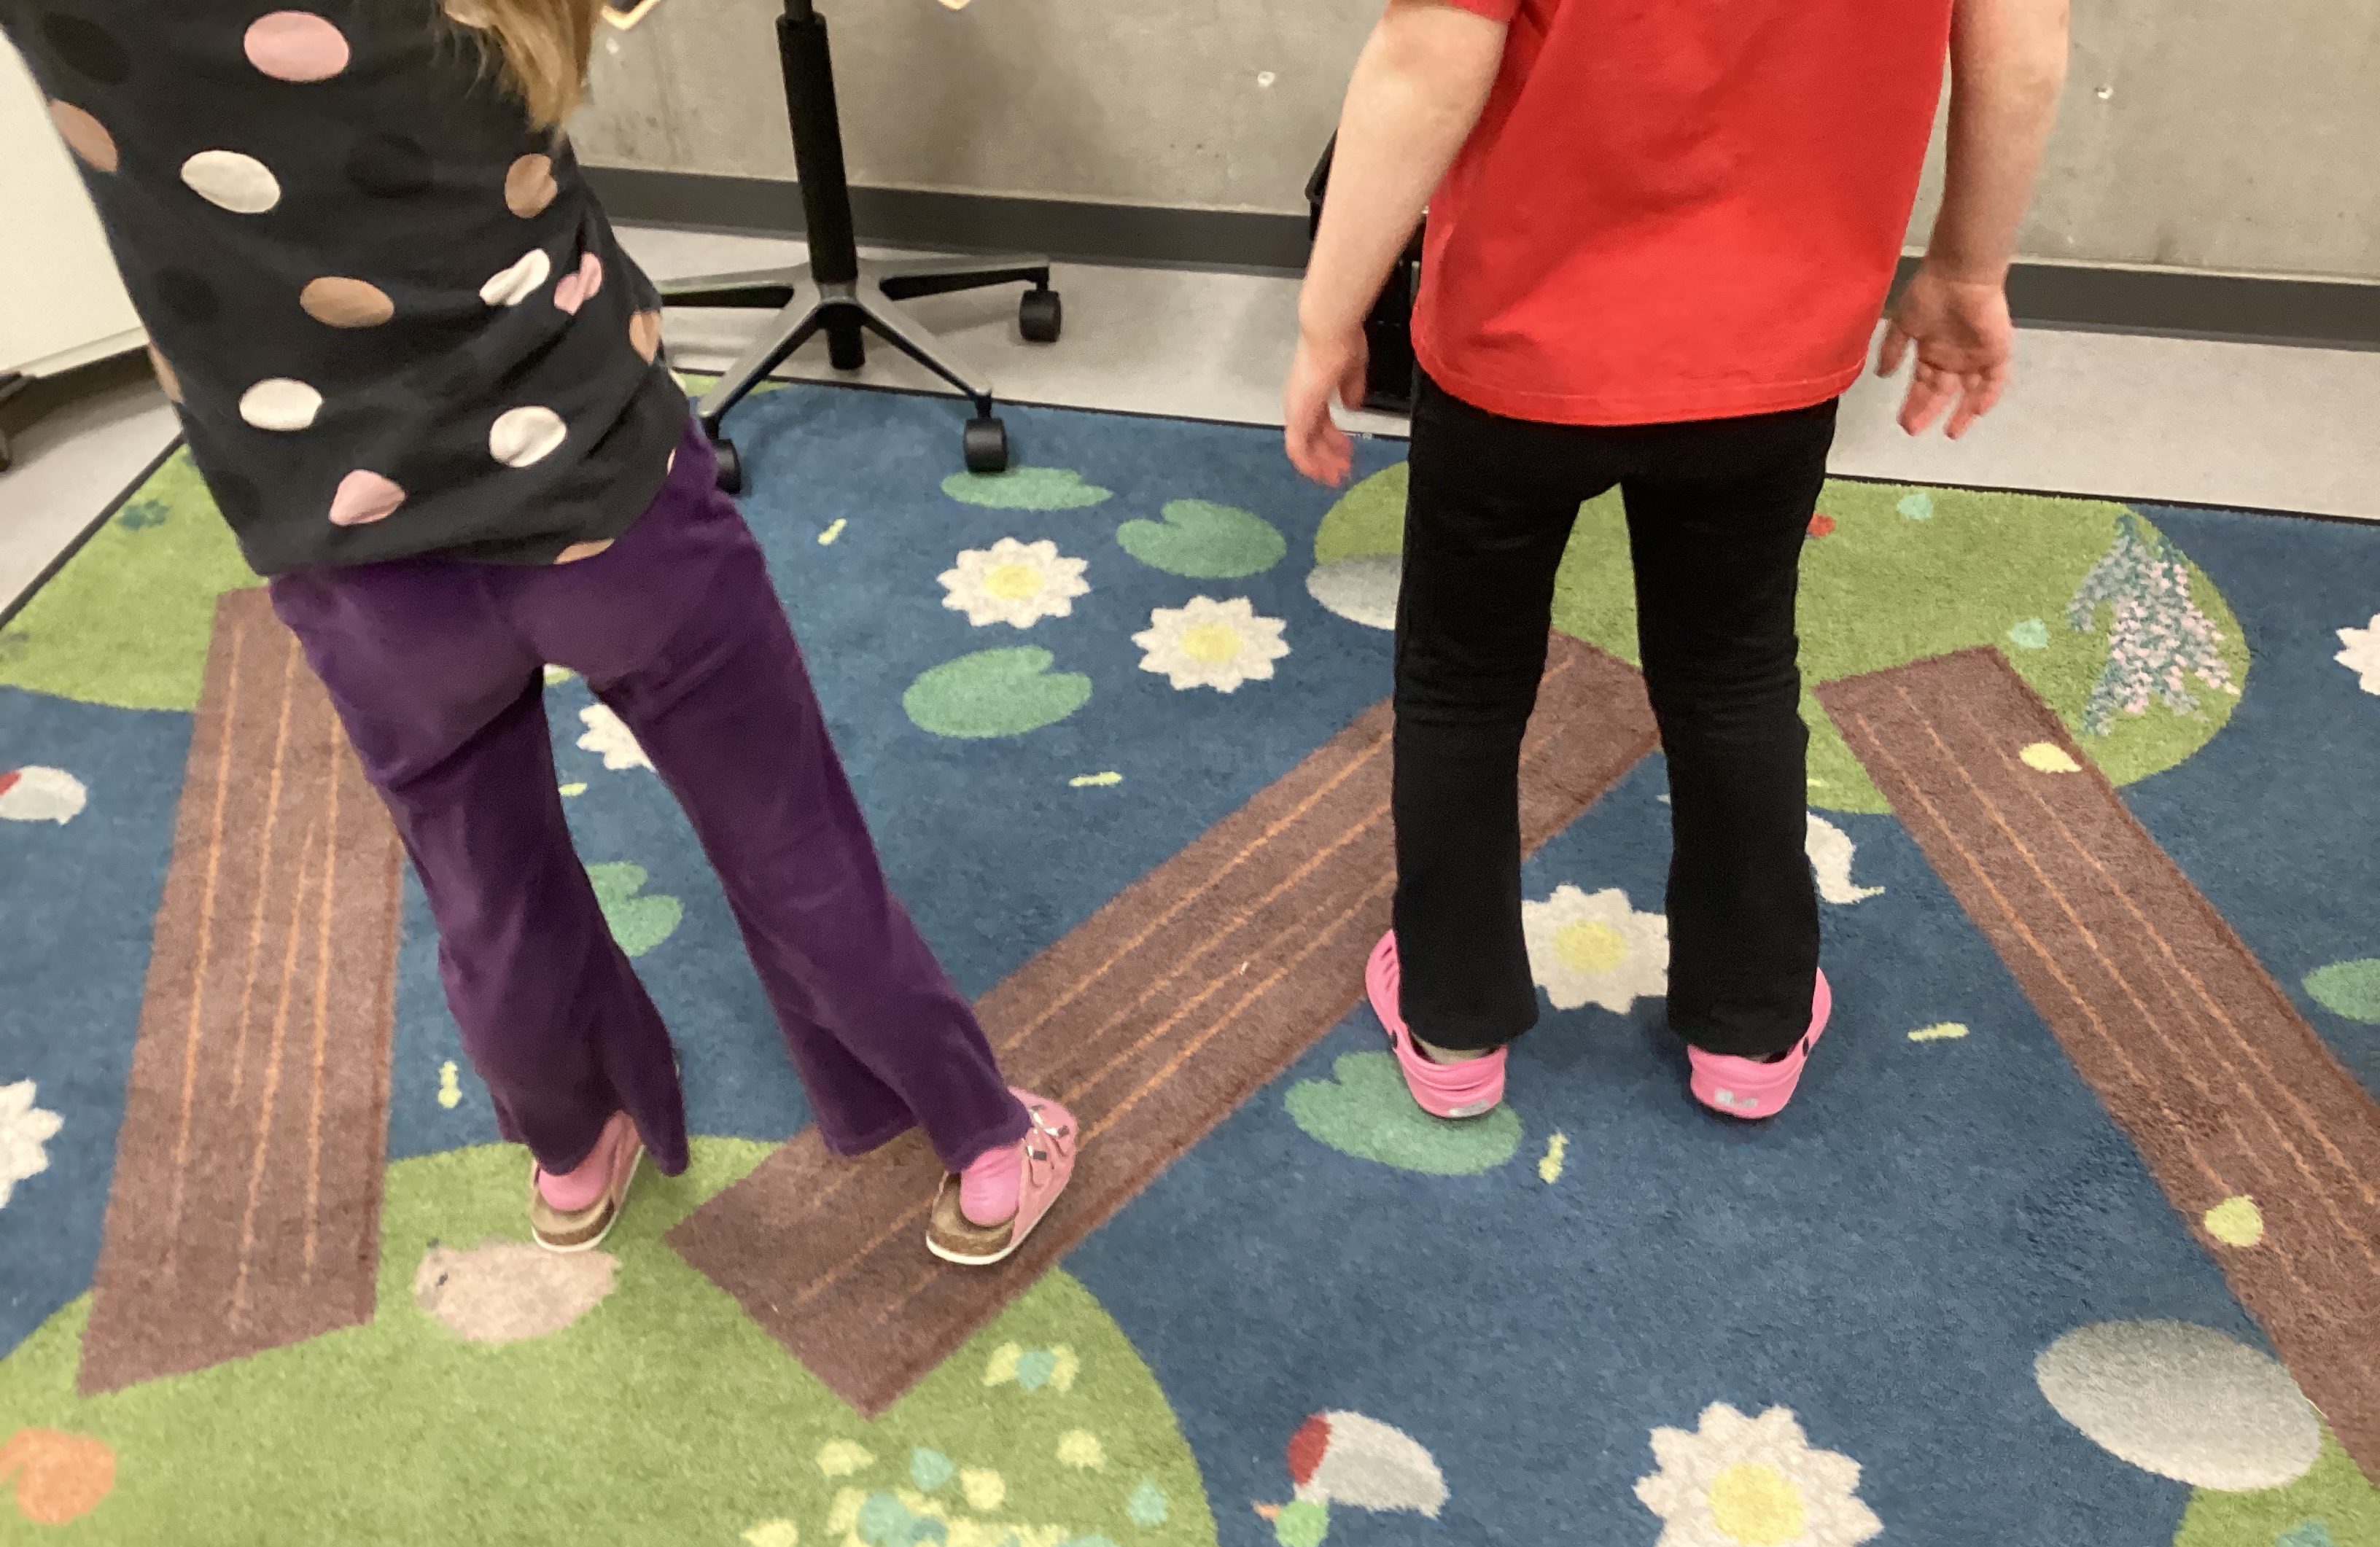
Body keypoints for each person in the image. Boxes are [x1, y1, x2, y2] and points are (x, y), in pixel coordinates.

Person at [6, 0, 1075, 1261]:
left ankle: (570, 1156)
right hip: (603, 495)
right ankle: (982, 1144)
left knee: (485, 888)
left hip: (348, 553)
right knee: (790, 839)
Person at [1287, 0, 2069, 1122]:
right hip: (1776, 342)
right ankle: (1751, 1025)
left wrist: (1328, 317)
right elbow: (2021, 41)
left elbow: (1428, 52)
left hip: (1518, 335)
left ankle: (1454, 1021)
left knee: (1463, 683)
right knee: (1732, 677)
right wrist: (1968, 268)